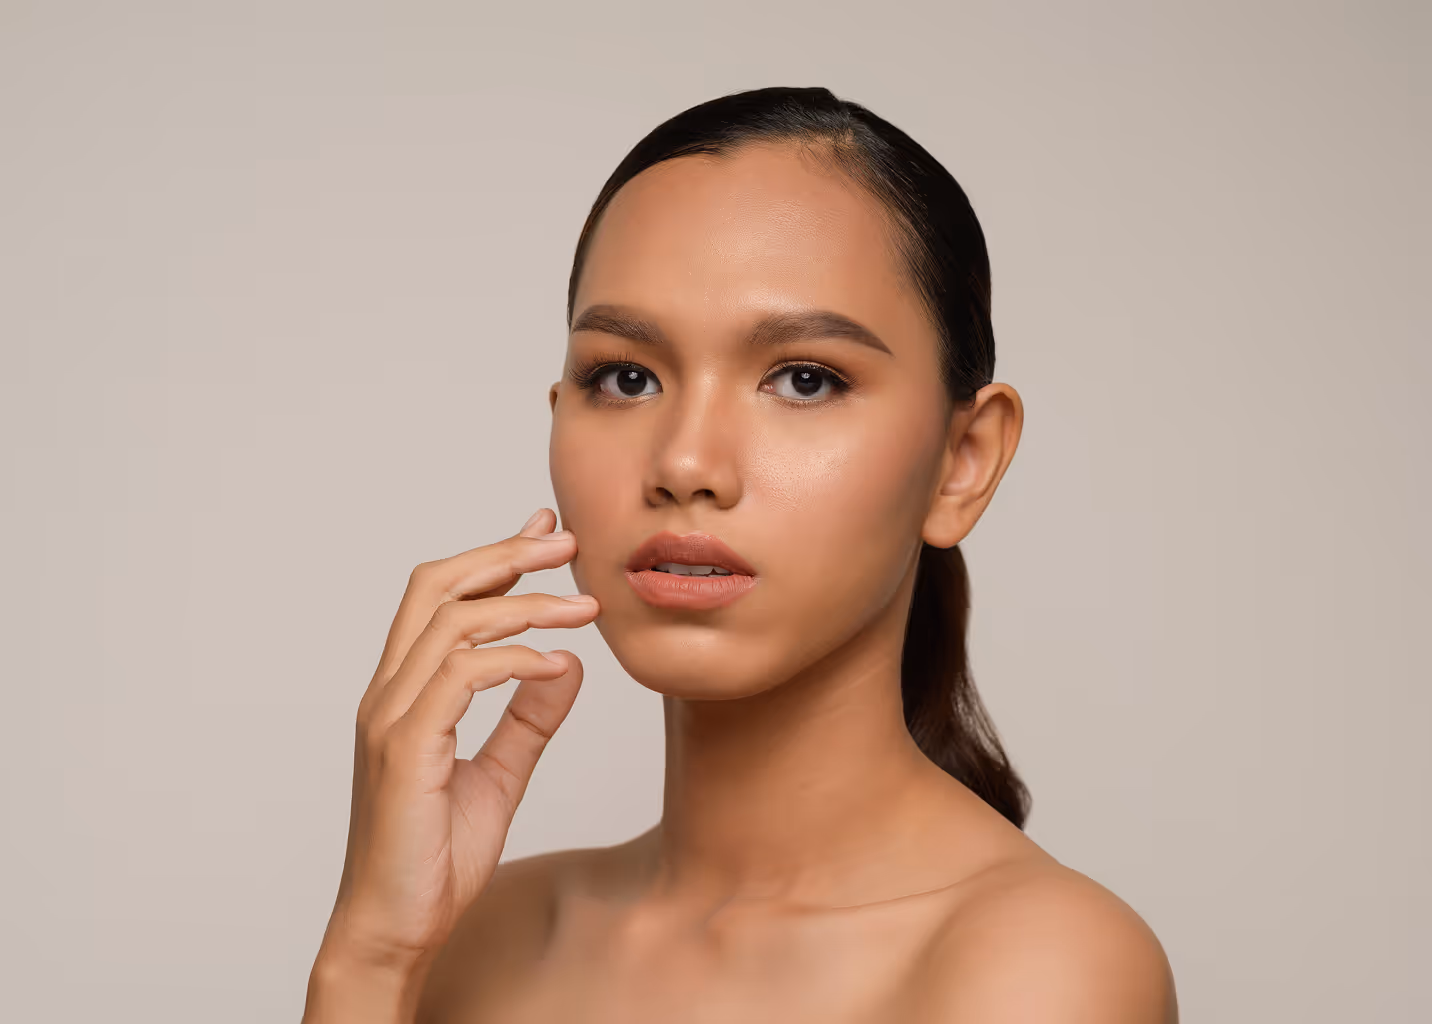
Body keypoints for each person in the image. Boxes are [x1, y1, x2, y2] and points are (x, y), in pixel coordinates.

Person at [301, 87, 1177, 1023]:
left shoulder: (1042, 970)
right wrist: (371, 956)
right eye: (625, 377)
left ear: (961, 463)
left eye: (804, 379)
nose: (685, 462)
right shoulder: (482, 935)